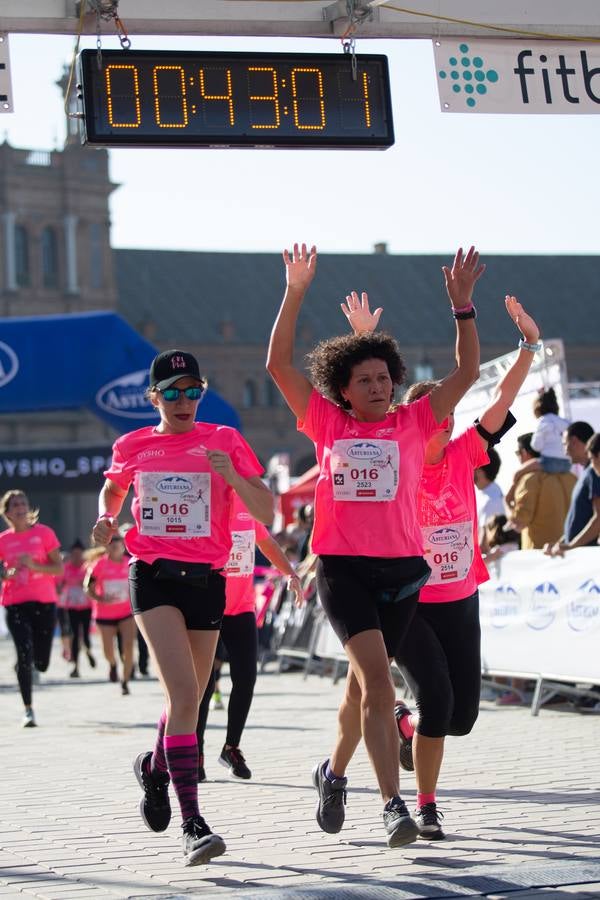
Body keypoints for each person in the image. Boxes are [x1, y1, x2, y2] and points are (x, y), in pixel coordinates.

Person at [266, 242, 482, 848]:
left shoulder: (414, 421)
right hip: (343, 572)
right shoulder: (326, 423)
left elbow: (466, 372)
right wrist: (296, 290)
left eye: (385, 377)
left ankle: (332, 773)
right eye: (364, 380)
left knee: (363, 687)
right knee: (382, 686)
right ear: (342, 390)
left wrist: (462, 308)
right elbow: (279, 364)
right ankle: (392, 805)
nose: (379, 387)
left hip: (403, 572)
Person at [333, 292, 541, 840]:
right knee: (438, 700)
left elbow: (501, 398)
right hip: (410, 600)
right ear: (417, 423)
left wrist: (528, 346)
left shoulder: (465, 453)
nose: (444, 428)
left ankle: (404, 724)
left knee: (461, 716)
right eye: (436, 420)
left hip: (460, 597)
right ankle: (424, 804)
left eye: (450, 420)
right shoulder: (393, 451)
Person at [92, 349, 273, 867]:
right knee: (186, 691)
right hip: (153, 577)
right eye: (171, 391)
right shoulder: (134, 445)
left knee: (187, 699)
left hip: (207, 581)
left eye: (192, 390)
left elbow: (268, 510)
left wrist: (234, 478)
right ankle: (193, 823)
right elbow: (112, 490)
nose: (183, 400)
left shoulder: (225, 441)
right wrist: (106, 519)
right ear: (154, 398)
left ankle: (154, 768)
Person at [196, 495, 302, 782]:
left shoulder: (248, 506)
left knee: (246, 678)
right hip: (207, 605)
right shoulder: (202, 502)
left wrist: (290, 573)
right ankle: (196, 752)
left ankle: (231, 748)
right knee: (203, 684)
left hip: (241, 608)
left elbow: (266, 543)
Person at [0, 490, 64, 727]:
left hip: (44, 602)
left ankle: (27, 664)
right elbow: (1, 573)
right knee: (24, 652)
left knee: (41, 663)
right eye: (15, 504)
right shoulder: (3, 540)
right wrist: (7, 573)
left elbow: (58, 569)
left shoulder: (44, 533)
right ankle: (28, 710)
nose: (20, 507)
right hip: (14, 602)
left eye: (23, 503)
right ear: (7, 512)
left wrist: (34, 565)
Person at [505, 433, 576, 549]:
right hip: (571, 552)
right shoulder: (572, 478)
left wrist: (506, 502)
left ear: (524, 452)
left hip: (541, 556)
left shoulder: (529, 480)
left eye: (518, 453)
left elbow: (518, 524)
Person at [84, 534, 135, 694]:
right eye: (112, 544)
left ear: (123, 546)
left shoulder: (130, 563)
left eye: (118, 544)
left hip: (127, 612)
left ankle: (125, 681)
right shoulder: (99, 565)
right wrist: (100, 598)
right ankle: (113, 664)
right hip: (104, 614)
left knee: (128, 647)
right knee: (108, 651)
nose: (115, 547)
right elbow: (87, 588)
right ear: (106, 547)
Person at [545, 428, 600, 555]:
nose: (565, 452)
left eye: (565, 444)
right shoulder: (587, 474)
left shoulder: (592, 474)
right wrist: (562, 543)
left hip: (588, 557)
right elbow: (579, 520)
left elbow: (599, 518)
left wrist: (571, 545)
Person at [60, 539, 96, 678]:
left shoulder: (88, 567)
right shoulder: (66, 567)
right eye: (74, 554)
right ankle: (76, 666)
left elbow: (94, 583)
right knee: (74, 636)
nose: (76, 557)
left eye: (79, 554)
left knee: (85, 635)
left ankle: (88, 650)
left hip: (86, 606)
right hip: (71, 606)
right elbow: (60, 584)